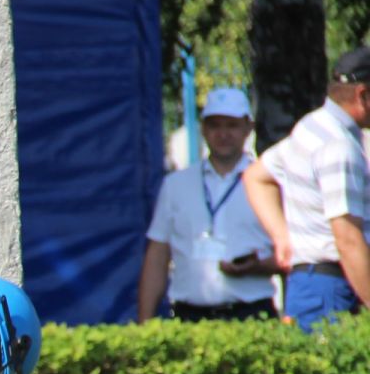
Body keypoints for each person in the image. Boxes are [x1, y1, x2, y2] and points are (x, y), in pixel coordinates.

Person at [243, 47, 370, 330]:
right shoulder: (339, 146)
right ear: (362, 95)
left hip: (311, 283)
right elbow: (348, 239)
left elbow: (256, 177)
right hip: (334, 287)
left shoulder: (311, 126)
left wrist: (283, 238)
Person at [138, 88, 278, 322]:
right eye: (215, 125)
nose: (223, 134)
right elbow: (157, 254)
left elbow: (294, 252)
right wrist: (144, 323)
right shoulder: (176, 185)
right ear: (203, 129)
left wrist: (257, 267)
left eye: (231, 125)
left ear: (248, 128)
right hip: (189, 315)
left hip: (251, 312)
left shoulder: (269, 182)